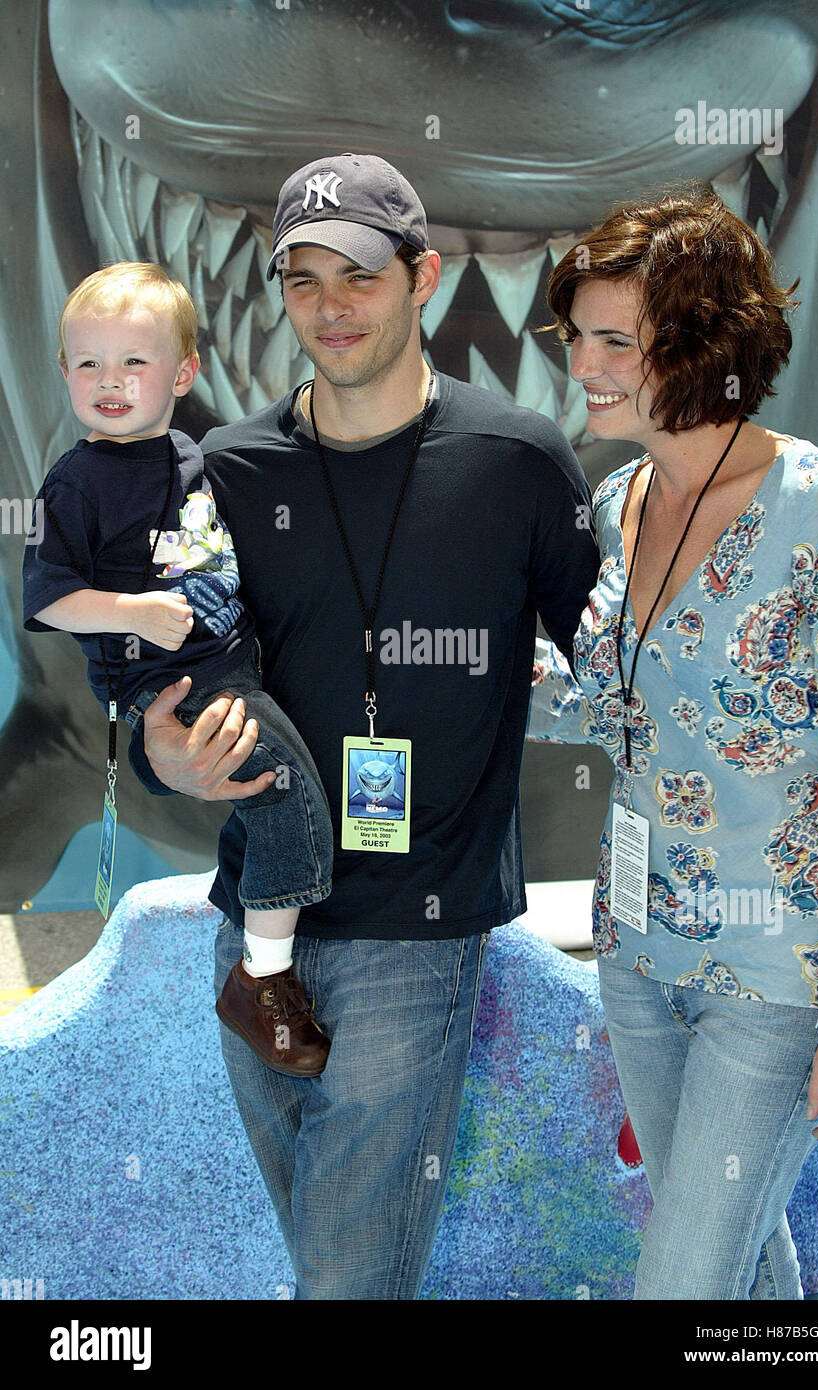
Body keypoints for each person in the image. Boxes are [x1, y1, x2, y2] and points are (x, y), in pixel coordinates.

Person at [126, 152, 601, 1299]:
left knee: (344, 1270)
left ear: (423, 276)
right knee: (332, 1260)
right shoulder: (225, 473)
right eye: (303, 280)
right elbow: (148, 700)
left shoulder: (518, 463)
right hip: (255, 928)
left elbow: (618, 668)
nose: (330, 307)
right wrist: (169, 756)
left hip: (415, 927)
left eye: (360, 275)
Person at [530, 187, 818, 1299]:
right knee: (736, 1269)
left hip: (773, 980)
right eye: (575, 333)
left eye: (615, 339)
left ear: (701, 340)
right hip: (632, 955)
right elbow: (606, 706)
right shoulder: (616, 500)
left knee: (678, 1284)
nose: (583, 362)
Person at [22, 262, 333, 1077]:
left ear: (184, 372)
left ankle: (269, 954)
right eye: (88, 363)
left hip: (230, 668)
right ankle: (262, 982)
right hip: (176, 687)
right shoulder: (75, 482)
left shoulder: (190, 455)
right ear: (63, 374)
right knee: (284, 796)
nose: (109, 381)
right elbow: (51, 598)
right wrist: (130, 613)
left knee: (283, 802)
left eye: (134, 361)